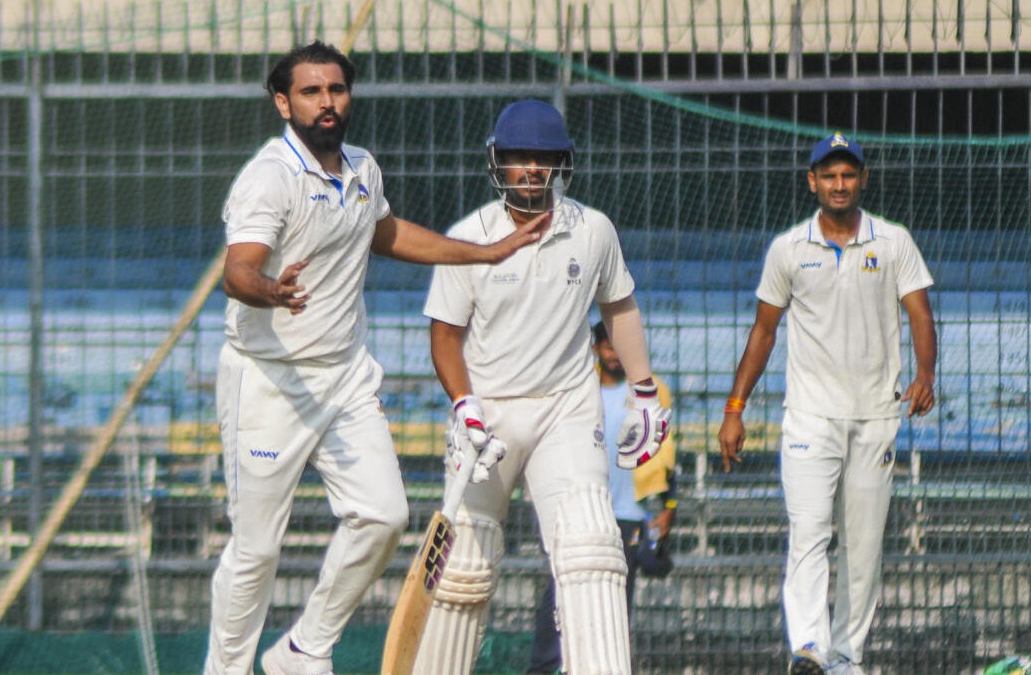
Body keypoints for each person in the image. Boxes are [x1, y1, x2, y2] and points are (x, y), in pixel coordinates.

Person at [206, 41, 547, 675]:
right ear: (283, 103)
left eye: (336, 90)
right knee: (256, 551)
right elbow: (237, 271)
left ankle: (304, 648)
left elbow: (384, 233)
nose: (327, 102)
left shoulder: (362, 167)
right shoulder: (269, 177)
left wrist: (485, 252)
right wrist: (273, 291)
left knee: (385, 516)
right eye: (311, 92)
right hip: (269, 383)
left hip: (344, 380)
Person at [412, 99, 671, 675]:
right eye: (518, 157)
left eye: (543, 157)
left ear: (561, 163)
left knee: (591, 552)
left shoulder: (592, 230)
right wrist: (465, 406)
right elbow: (445, 336)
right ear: (497, 162)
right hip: (488, 417)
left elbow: (619, 306)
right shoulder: (469, 237)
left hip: (565, 410)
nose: (531, 168)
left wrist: (644, 392)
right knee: (464, 570)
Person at [716, 132, 937, 675]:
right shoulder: (789, 248)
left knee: (863, 547)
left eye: (848, 174)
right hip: (810, 417)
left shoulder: (893, 241)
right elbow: (763, 331)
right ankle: (810, 648)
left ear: (863, 179)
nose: (840, 184)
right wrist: (735, 408)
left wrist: (925, 374)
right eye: (830, 175)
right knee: (810, 533)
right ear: (812, 181)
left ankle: (845, 657)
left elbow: (920, 313)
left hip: (876, 416)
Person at [527, 320, 678, 675]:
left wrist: (669, 506)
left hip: (628, 512)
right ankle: (545, 667)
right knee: (561, 592)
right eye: (609, 346)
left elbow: (666, 452)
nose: (615, 354)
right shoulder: (578, 389)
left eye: (620, 346)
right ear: (595, 347)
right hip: (580, 506)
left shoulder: (651, 391)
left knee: (615, 601)